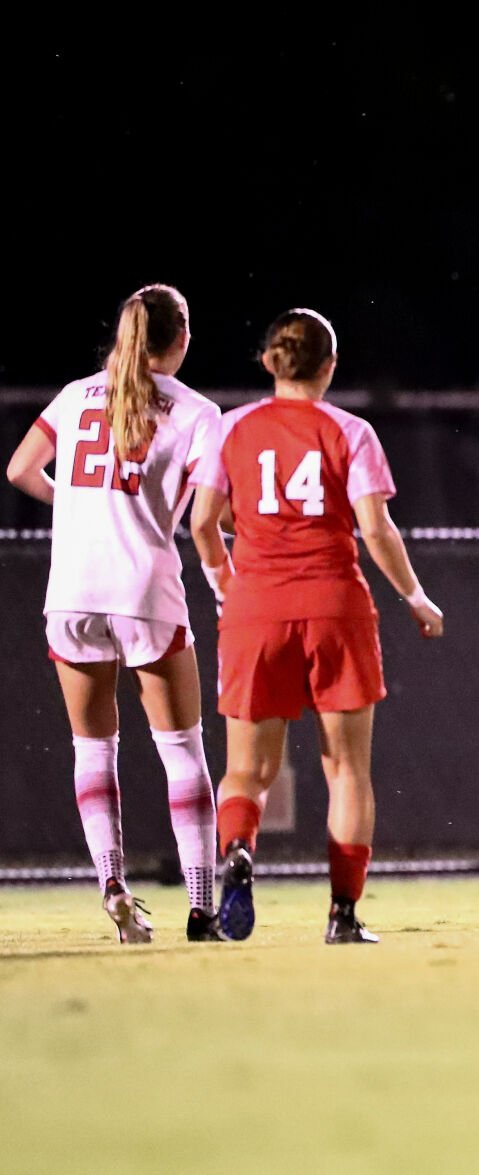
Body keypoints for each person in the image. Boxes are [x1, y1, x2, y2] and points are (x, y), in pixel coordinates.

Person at [188, 308, 443, 944]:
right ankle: (342, 916)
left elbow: (201, 522)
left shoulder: (231, 428)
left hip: (256, 608)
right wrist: (414, 595)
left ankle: (240, 853)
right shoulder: (349, 431)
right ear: (329, 366)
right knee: (347, 770)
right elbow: (375, 528)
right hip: (335, 604)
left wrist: (227, 579)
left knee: (247, 770)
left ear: (270, 362)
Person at [4, 284, 224, 943]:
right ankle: (201, 907)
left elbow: (19, 468)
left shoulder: (76, 396)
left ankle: (113, 890)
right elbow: (208, 516)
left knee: (93, 747)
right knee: (182, 750)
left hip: (71, 589)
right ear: (180, 338)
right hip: (143, 590)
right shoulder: (199, 412)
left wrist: (77, 508)